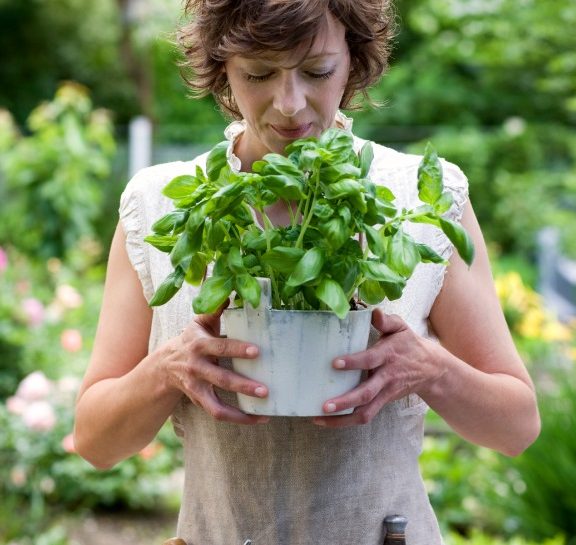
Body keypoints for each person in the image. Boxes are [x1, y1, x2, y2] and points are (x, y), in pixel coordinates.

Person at [74, 1, 541, 544]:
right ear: (222, 67)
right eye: (258, 73)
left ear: (353, 59)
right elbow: (95, 440)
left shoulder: (420, 199)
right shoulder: (163, 206)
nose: (290, 104)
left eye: (317, 72)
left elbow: (517, 426)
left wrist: (429, 368)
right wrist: (168, 369)